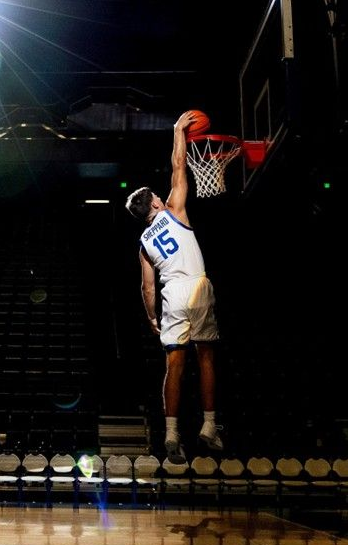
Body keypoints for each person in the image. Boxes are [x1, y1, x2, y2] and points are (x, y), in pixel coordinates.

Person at [125, 110, 223, 464]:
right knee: (207, 357)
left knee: (174, 366)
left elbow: (146, 289)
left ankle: (171, 433)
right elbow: (179, 165)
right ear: (154, 203)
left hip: (170, 298)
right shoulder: (175, 210)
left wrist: (152, 318)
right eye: (156, 196)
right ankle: (209, 426)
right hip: (196, 287)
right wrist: (178, 130)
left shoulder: (143, 244)